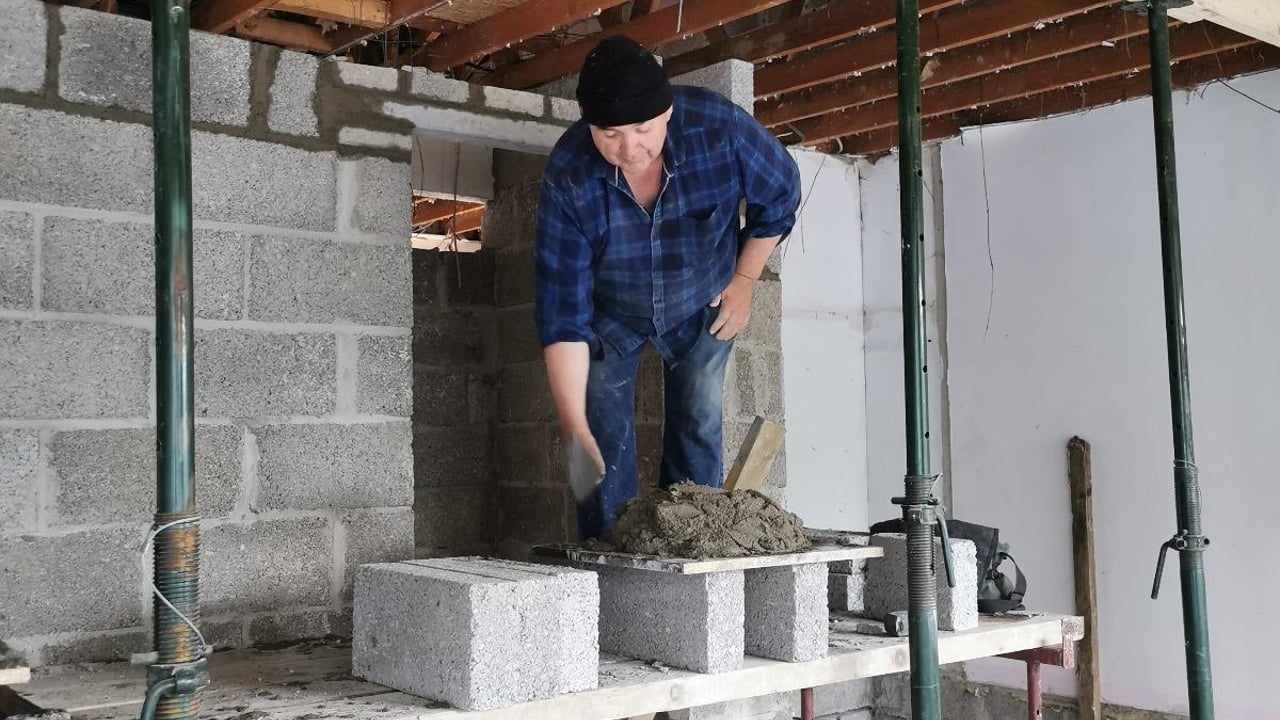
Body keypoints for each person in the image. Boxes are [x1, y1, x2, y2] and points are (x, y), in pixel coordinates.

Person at [533, 34, 802, 540]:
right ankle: (613, 558)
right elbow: (562, 311)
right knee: (600, 440)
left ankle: (688, 547)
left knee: (698, 420)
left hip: (704, 299)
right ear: (589, 124)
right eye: (609, 133)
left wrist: (746, 280)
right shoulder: (569, 173)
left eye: (643, 129)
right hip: (608, 314)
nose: (630, 148)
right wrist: (572, 425)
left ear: (668, 112)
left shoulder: (719, 128)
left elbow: (781, 195)